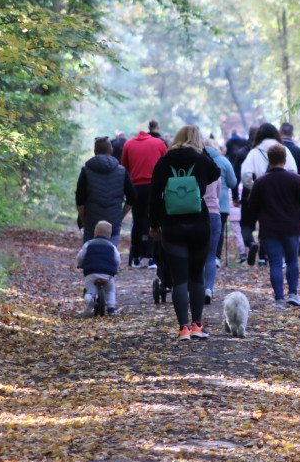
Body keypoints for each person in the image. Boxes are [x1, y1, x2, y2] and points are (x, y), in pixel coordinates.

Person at [148, 125, 221, 341]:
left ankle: (184, 329)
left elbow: (154, 195)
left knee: (179, 279)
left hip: (172, 225)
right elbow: (215, 173)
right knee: (196, 277)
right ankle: (198, 326)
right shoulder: (201, 159)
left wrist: (154, 225)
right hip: (199, 224)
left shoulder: (164, 161)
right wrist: (203, 150)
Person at [249, 143, 300, 308]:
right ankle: (293, 294)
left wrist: (256, 222)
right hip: (292, 228)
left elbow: (252, 207)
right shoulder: (295, 179)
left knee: (275, 262)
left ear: (269, 160)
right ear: (285, 160)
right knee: (292, 261)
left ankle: (279, 299)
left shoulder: (261, 182)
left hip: (269, 229)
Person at [237, 122, 297, 265]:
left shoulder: (254, 152)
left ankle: (251, 243)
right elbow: (294, 172)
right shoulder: (283, 150)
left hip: (256, 195)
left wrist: (254, 186)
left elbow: (245, 174)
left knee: (246, 224)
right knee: (268, 226)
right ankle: (266, 257)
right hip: (279, 197)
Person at [120, 122, 168, 267]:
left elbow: (124, 169)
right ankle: (153, 257)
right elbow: (167, 164)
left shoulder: (128, 145)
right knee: (155, 221)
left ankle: (136, 256)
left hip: (136, 187)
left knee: (138, 221)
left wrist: (125, 190)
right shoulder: (159, 143)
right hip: (155, 187)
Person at [75, 136, 135, 246]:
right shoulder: (122, 171)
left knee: (89, 254)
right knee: (110, 254)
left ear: (94, 151)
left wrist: (83, 219)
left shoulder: (86, 170)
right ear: (111, 151)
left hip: (92, 220)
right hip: (113, 221)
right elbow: (132, 197)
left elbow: (80, 200)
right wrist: (120, 216)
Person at [202, 139, 237, 303]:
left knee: (197, 253)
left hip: (198, 211)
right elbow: (233, 182)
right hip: (217, 208)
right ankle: (209, 287)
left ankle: (197, 286)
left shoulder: (195, 167)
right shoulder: (221, 164)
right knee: (211, 254)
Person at [76, 220, 121, 316]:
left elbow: (80, 256)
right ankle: (111, 308)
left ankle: (90, 300)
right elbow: (117, 259)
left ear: (95, 233)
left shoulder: (88, 244)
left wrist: (80, 264)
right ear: (109, 235)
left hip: (92, 272)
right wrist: (116, 268)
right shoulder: (112, 246)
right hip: (108, 274)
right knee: (110, 290)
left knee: (89, 290)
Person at [280, 122, 300, 202]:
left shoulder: (274, 149)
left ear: (279, 133)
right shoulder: (298, 152)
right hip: (295, 193)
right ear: (292, 134)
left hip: (278, 193)